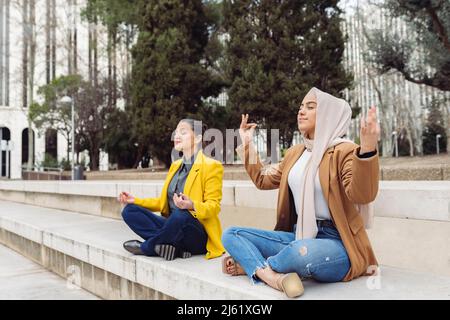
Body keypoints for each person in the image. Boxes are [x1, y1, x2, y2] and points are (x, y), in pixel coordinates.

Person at [221, 87, 380, 298]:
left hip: (337, 242)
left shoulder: (345, 151)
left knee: (298, 254)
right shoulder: (296, 153)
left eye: (310, 107)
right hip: (298, 234)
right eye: (301, 107)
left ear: (328, 115)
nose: (301, 112)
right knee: (232, 234)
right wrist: (247, 144)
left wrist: (367, 148)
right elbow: (262, 178)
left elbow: (362, 194)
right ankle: (273, 277)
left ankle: (252, 265)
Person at [119, 119, 225, 260]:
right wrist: (135, 200)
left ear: (198, 138)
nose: (177, 136)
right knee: (129, 211)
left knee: (181, 215)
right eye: (176, 132)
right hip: (172, 226)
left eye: (183, 132)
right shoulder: (175, 166)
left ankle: (148, 248)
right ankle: (173, 247)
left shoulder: (212, 166)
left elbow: (214, 207)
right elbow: (163, 203)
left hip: (195, 233)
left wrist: (192, 205)